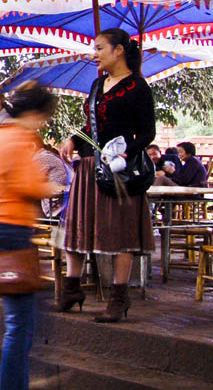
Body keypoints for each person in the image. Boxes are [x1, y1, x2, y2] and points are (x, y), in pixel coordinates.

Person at [0, 81, 60, 390]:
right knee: (22, 322)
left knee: (19, 316)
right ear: (36, 114)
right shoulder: (21, 140)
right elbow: (27, 185)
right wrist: (50, 185)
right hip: (12, 228)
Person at [58, 28, 156, 323]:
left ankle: (118, 297)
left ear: (119, 51)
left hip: (119, 171)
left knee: (118, 232)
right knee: (78, 229)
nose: (95, 54)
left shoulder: (138, 86)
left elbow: (148, 132)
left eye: (100, 48)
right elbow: (92, 126)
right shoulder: (97, 85)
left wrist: (127, 153)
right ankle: (72, 288)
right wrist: (73, 140)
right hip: (89, 167)